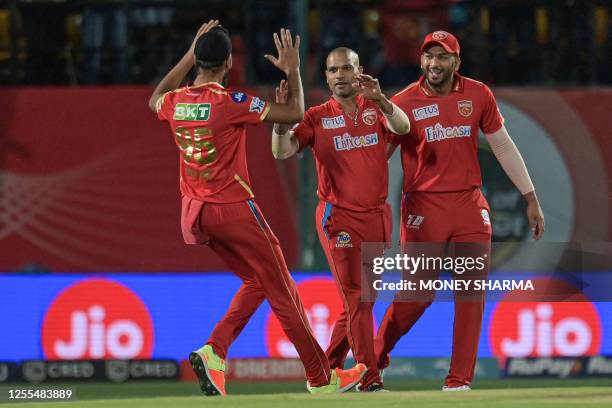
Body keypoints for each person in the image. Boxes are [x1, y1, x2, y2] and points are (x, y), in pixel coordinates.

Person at [148, 20, 366, 396]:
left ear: (197, 59)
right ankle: (321, 377)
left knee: (258, 281)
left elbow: (155, 98)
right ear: (230, 62)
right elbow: (295, 112)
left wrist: (188, 54)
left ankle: (215, 352)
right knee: (283, 290)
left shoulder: (176, 103)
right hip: (233, 210)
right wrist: (294, 69)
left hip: (195, 214)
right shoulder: (230, 103)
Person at [375, 30, 545, 391]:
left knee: (471, 292)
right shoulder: (402, 102)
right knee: (418, 295)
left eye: (442, 57)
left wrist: (530, 197)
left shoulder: (478, 93)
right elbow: (377, 159)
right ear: (421, 61)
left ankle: (458, 382)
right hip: (423, 208)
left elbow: (502, 146)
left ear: (456, 62)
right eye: (428, 57)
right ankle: (375, 358)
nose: (434, 64)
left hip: (469, 205)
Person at [271, 47, 411, 392]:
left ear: (358, 70)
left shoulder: (375, 109)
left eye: (345, 68)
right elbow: (282, 150)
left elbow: (404, 127)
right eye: (332, 70)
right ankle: (370, 378)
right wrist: (280, 121)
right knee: (357, 298)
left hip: (378, 216)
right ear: (327, 77)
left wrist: (383, 101)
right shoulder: (317, 116)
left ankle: (327, 371)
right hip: (339, 217)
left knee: (362, 301)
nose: (339, 76)